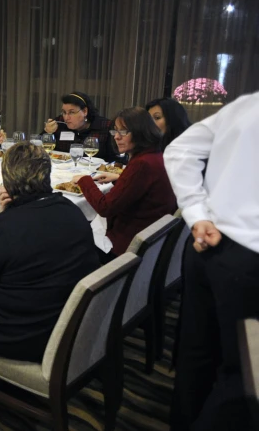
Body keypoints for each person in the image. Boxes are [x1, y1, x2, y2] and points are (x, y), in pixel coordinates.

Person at [0, 142, 99, 362]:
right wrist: (7, 212)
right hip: (68, 322)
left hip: (21, 337)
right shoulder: (70, 210)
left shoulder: (4, 228)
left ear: (7, 180)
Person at [164, 91, 259, 431]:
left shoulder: (247, 105)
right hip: (247, 261)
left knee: (197, 354)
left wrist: (196, 213)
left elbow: (178, 150)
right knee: (245, 377)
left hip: (207, 245)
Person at [71, 107, 177, 261]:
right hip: (153, 241)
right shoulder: (155, 155)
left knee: (73, 236)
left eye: (124, 132)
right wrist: (119, 178)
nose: (117, 137)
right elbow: (142, 188)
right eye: (115, 131)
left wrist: (84, 180)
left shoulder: (141, 164)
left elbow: (105, 208)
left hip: (127, 247)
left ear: (140, 132)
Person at [43, 91, 117, 161]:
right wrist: (47, 133)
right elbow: (38, 150)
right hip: (63, 169)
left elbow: (116, 157)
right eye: (64, 112)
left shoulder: (105, 126)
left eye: (72, 112)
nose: (66, 117)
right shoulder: (59, 123)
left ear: (85, 111)